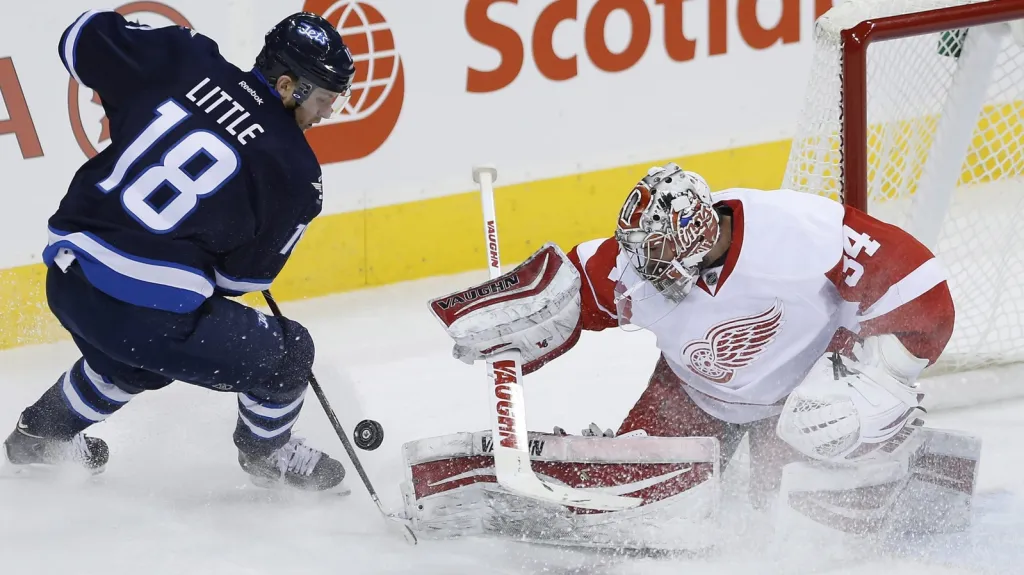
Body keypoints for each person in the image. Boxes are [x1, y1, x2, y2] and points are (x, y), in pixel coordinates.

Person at [413, 162, 978, 539]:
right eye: (638, 249)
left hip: (795, 400)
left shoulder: (797, 231)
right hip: (692, 394)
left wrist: (880, 378)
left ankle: (891, 467)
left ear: (696, 234)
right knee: (640, 512)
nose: (640, 266)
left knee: (792, 528)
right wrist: (506, 314)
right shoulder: (637, 266)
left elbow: (921, 291)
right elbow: (566, 293)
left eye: (654, 250)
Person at [2, 10, 356, 492]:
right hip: (146, 317)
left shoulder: (185, 58)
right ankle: (266, 453)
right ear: (289, 85)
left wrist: (142, 76)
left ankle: (41, 435)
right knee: (291, 353)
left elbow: (80, 35)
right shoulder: (297, 173)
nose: (328, 112)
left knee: (131, 362)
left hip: (69, 276)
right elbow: (239, 283)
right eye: (324, 99)